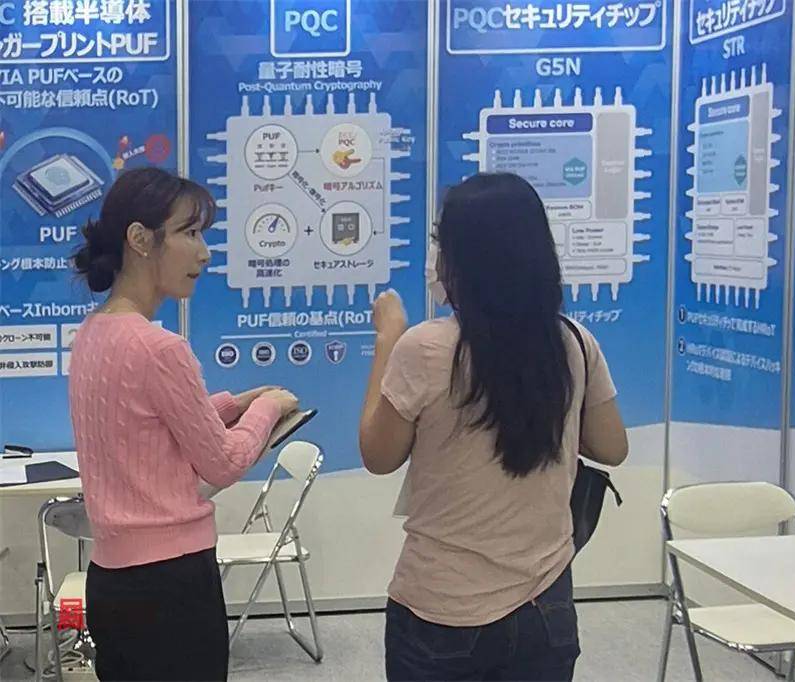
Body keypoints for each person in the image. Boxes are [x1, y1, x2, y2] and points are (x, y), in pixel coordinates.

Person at [360, 172, 628, 681]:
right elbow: (612, 447)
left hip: (443, 607)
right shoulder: (573, 342)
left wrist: (387, 340)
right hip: (546, 602)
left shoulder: (424, 348)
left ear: (463, 259)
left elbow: (378, 455)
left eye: (441, 242)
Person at [68, 167, 298, 681]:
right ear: (139, 239)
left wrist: (236, 403)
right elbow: (225, 461)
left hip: (111, 579)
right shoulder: (159, 348)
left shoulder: (93, 334)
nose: (204, 253)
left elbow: (145, 429)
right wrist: (269, 408)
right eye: (189, 233)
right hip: (171, 585)